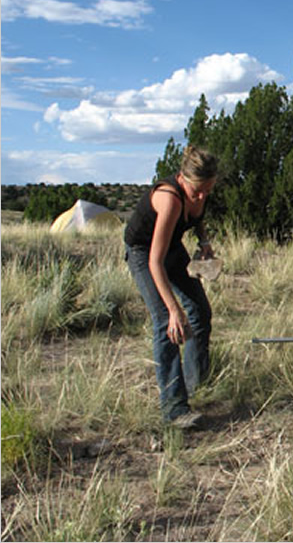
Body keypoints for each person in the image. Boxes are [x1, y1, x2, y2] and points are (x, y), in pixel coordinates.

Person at [124, 146, 218, 428]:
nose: (201, 196)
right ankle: (174, 409)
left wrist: (204, 244)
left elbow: (198, 217)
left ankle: (196, 384)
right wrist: (174, 309)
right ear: (183, 179)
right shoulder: (170, 200)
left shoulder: (199, 192)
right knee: (168, 322)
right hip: (143, 252)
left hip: (172, 247)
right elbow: (155, 262)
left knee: (200, 311)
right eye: (197, 191)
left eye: (208, 190)